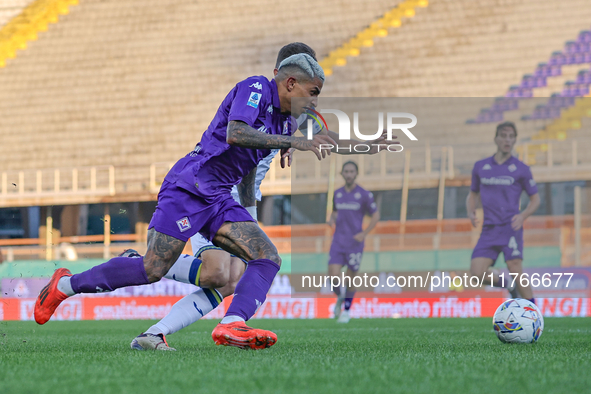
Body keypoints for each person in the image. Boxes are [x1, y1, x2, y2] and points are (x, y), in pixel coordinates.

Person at [35, 52, 337, 350]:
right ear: (290, 83)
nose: (314, 102)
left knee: (266, 256)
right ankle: (64, 285)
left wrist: (248, 217)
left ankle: (232, 324)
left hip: (220, 198)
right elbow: (237, 133)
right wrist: (295, 142)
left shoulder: (284, 123)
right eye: (313, 93)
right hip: (189, 186)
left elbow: (248, 167)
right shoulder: (255, 87)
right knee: (151, 270)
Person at [130, 43, 398, 350]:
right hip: (214, 191)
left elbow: (327, 139)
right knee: (217, 272)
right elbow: (236, 136)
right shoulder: (257, 97)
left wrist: (368, 145)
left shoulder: (295, 116)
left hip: (244, 198)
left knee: (229, 280)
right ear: (285, 77)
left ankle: (156, 332)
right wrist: (288, 142)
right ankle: (145, 265)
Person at [466, 121, 540, 303]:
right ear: (496, 138)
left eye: (511, 137)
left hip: (510, 227)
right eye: (504, 136)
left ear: (515, 140)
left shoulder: (521, 169)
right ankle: (508, 285)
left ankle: (534, 313)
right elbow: (472, 194)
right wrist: (470, 211)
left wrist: (523, 216)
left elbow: (536, 199)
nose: (507, 140)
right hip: (489, 229)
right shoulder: (480, 167)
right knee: (476, 272)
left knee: (516, 269)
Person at [328, 161, 380, 323]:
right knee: (333, 277)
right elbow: (335, 212)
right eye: (346, 171)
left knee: (350, 278)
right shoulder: (337, 193)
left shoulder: (364, 194)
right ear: (342, 174)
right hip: (338, 241)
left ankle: (347, 311)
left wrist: (364, 233)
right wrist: (331, 219)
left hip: (354, 243)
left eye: (352, 172)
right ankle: (340, 297)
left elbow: (376, 215)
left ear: (356, 174)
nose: (349, 174)